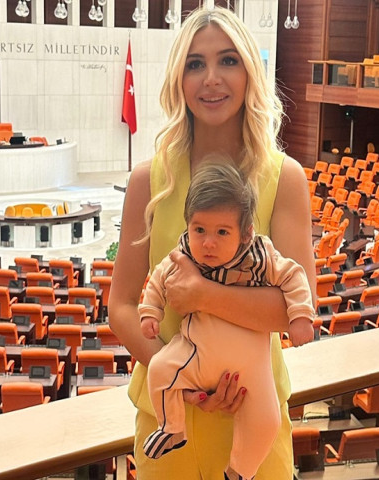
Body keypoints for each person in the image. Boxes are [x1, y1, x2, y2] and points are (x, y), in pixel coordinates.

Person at [108, 6, 316, 479]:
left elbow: (296, 307)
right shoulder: (148, 181)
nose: (212, 79)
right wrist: (180, 379)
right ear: (179, 79)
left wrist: (202, 294)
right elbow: (120, 305)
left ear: (250, 72)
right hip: (168, 416)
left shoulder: (284, 178)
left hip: (253, 410)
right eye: (195, 64)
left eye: (228, 60)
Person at [140, 162, 315, 479]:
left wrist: (301, 315)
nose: (208, 242)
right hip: (194, 354)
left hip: (252, 367)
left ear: (246, 233)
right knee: (160, 371)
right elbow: (157, 280)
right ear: (188, 226)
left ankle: (240, 472)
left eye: (222, 232)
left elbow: (293, 276)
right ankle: (173, 427)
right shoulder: (184, 252)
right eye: (199, 230)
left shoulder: (260, 254)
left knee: (266, 421)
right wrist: (150, 312)